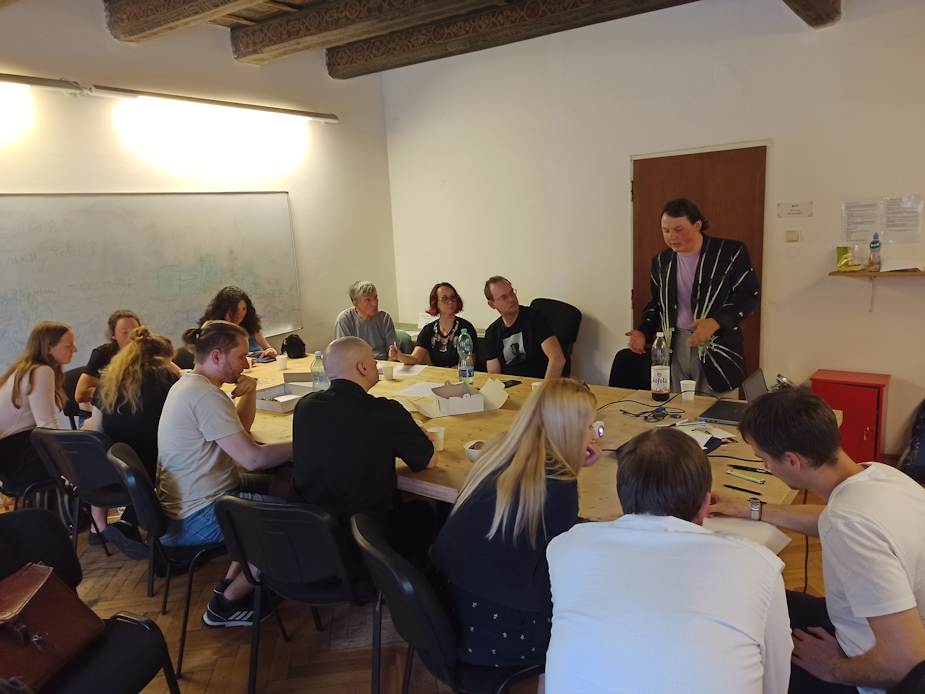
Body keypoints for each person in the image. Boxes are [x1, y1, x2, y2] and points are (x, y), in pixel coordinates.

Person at [709, 388, 925, 694]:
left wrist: (832, 668)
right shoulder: (881, 475)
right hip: (875, 630)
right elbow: (832, 518)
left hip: (871, 673)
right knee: (763, 598)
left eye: (763, 459)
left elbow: (904, 664)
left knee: (736, 664)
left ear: (792, 460)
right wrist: (752, 509)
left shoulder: (848, 526)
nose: (766, 468)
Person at [545, 427, 791, 694]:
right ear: (705, 505)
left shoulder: (565, 548)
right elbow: (775, 680)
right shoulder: (760, 566)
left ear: (621, 495)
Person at [429, 379, 601, 684]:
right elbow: (560, 570)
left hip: (439, 612)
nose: (593, 434)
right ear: (569, 430)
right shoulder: (559, 485)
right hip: (489, 633)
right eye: (590, 426)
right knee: (590, 605)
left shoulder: (499, 451)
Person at [157, 320, 292, 627]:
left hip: (195, 498)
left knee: (284, 487)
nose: (247, 363)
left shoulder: (190, 385)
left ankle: (235, 578)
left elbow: (239, 430)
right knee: (286, 520)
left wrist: (250, 390)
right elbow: (253, 458)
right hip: (194, 515)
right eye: (242, 356)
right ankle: (225, 605)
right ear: (217, 356)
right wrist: (307, 443)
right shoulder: (205, 396)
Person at [291, 336, 436, 559]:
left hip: (310, 537)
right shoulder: (385, 412)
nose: (376, 363)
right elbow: (429, 462)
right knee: (422, 511)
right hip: (363, 542)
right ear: (362, 367)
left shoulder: (304, 406)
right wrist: (418, 437)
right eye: (372, 359)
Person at [626, 198, 759, 397]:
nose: (672, 237)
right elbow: (658, 303)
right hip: (675, 344)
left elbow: (748, 294)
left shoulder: (730, 252)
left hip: (718, 344)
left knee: (718, 411)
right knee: (678, 408)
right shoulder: (661, 261)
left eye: (679, 230)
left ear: (697, 225)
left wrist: (716, 322)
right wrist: (643, 331)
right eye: (666, 230)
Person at [89, 326, 180, 559]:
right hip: (153, 463)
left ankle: (127, 524)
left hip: (115, 464)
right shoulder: (164, 377)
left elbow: (97, 429)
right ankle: (166, 535)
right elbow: (179, 421)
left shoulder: (107, 380)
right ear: (162, 358)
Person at [0, 322, 77, 490]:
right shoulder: (41, 370)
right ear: (48, 348)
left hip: (8, 462)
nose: (75, 349)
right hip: (19, 460)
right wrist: (65, 466)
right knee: (86, 462)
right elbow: (47, 424)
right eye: (69, 345)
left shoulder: (22, 369)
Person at [483, 276, 565, 379]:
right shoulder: (491, 333)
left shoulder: (535, 317)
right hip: (508, 385)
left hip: (537, 383)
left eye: (511, 292)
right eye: (503, 297)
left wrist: (544, 389)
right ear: (492, 304)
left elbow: (557, 359)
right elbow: (494, 376)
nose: (512, 299)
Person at [388, 282, 477, 368]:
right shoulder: (429, 329)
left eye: (453, 297)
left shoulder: (466, 328)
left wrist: (444, 373)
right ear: (435, 303)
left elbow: (469, 362)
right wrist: (399, 356)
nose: (450, 301)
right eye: (445, 299)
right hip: (438, 376)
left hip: (461, 375)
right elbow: (416, 359)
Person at [75, 310, 141, 404]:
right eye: (124, 332)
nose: (131, 337)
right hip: (105, 408)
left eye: (135, 332)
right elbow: (81, 394)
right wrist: (122, 392)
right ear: (113, 334)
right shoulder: (102, 354)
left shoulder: (148, 353)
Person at [199, 286, 278, 358]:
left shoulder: (250, 323)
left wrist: (271, 352)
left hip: (262, 365)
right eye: (236, 310)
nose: (241, 314)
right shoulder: (212, 329)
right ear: (223, 310)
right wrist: (240, 358)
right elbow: (212, 360)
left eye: (244, 309)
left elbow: (267, 348)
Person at [334, 280, 396, 361]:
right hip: (358, 365)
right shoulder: (344, 320)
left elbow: (393, 354)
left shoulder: (384, 318)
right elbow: (343, 355)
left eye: (375, 298)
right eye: (368, 300)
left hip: (384, 363)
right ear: (356, 304)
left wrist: (389, 364)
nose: (374, 304)